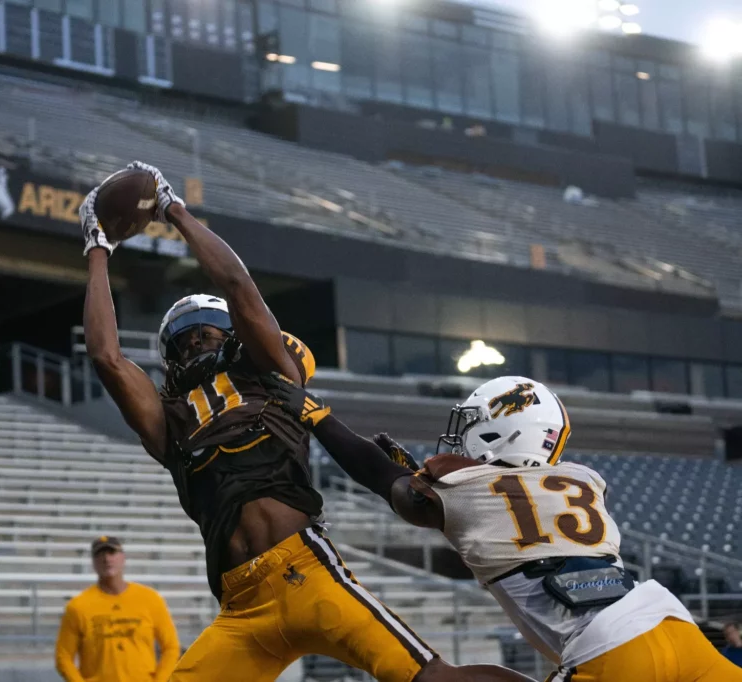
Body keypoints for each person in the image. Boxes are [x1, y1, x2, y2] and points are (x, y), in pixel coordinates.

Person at [79, 161, 533, 682]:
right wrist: (97, 248)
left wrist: (173, 209)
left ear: (231, 339)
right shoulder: (170, 421)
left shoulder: (272, 376)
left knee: (431, 679)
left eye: (206, 333)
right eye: (184, 340)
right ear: (169, 361)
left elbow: (237, 284)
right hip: (240, 608)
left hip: (308, 572)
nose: (196, 342)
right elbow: (107, 357)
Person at [262, 372, 742, 681]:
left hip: (609, 653)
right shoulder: (585, 480)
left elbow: (378, 476)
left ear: (503, 431)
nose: (461, 437)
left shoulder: (461, 487)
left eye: (473, 425)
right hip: (674, 625)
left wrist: (319, 417)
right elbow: (510, 504)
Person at [54, 535, 180, 682]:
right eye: (100, 554)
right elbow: (63, 656)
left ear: (123, 557)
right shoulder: (78, 606)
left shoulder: (150, 599)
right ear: (93, 562)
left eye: (112, 553)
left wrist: (160, 679)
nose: (107, 559)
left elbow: (171, 647)